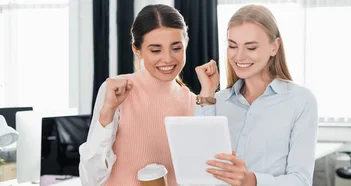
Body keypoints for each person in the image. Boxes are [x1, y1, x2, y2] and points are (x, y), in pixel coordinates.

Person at [194, 4, 318, 186]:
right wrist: (207, 93)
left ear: (274, 47)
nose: (239, 56)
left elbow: (301, 180)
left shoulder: (300, 101)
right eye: (232, 46)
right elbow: (198, 167)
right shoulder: (216, 101)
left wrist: (250, 180)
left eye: (251, 47)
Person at [78, 4, 195, 185]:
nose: (168, 59)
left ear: (186, 45)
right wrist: (107, 112)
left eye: (176, 48)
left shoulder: (191, 102)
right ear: (137, 50)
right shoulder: (117, 91)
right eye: (156, 50)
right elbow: (91, 179)